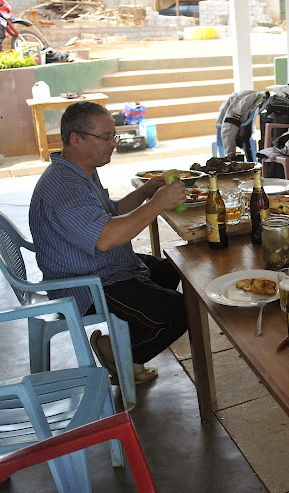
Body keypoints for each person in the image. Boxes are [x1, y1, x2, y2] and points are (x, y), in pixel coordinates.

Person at [30, 101, 188, 386]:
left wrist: (146, 191)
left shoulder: (80, 170)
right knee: (181, 312)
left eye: (114, 136)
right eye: (105, 137)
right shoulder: (66, 186)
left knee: (178, 269)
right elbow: (105, 238)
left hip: (106, 266)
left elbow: (111, 213)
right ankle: (115, 351)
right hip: (86, 284)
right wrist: (156, 204)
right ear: (76, 139)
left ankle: (129, 340)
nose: (113, 144)